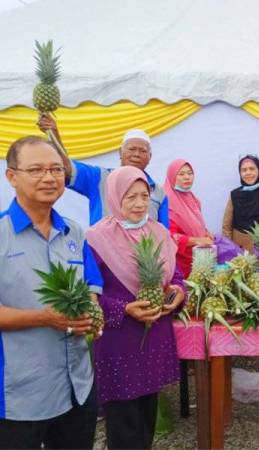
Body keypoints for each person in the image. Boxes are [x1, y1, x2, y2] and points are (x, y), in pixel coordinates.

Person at [0, 136, 102, 449]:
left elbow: (91, 288)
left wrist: (92, 314)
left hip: (77, 387)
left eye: (56, 169)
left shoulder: (74, 232)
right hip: (20, 395)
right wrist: (44, 317)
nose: (49, 177)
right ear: (12, 176)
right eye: (36, 170)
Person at [86, 166, 185, 450]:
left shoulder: (159, 232)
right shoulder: (96, 239)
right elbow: (88, 294)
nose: (140, 204)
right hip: (119, 341)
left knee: (146, 416)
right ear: (115, 197)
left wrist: (178, 292)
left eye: (144, 196)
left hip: (154, 337)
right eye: (130, 197)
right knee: (123, 422)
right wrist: (125, 308)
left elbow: (175, 277)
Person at [38, 115, 169, 227]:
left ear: (149, 157)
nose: (136, 154)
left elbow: (164, 234)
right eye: (131, 149)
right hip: (101, 256)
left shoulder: (158, 192)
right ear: (120, 152)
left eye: (143, 151)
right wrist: (54, 134)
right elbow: (66, 167)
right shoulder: (100, 177)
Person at [164, 159, 214, 277]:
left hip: (201, 258)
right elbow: (170, 236)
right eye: (181, 174)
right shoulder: (167, 203)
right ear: (172, 176)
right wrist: (198, 240)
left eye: (190, 173)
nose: (187, 177)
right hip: (183, 264)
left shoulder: (192, 198)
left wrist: (206, 233)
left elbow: (196, 224)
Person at [222, 155, 259, 252]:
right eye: (244, 170)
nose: (248, 173)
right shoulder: (235, 194)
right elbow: (226, 226)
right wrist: (230, 249)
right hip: (240, 250)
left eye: (252, 169)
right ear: (240, 173)